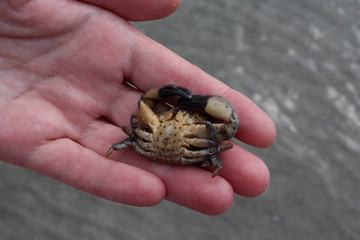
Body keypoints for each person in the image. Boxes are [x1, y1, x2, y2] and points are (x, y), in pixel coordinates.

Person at [0, 0, 276, 215]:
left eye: (186, 115)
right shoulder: (172, 124)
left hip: (155, 145)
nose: (181, 115)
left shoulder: (183, 126)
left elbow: (223, 134)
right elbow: (141, 121)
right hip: (159, 145)